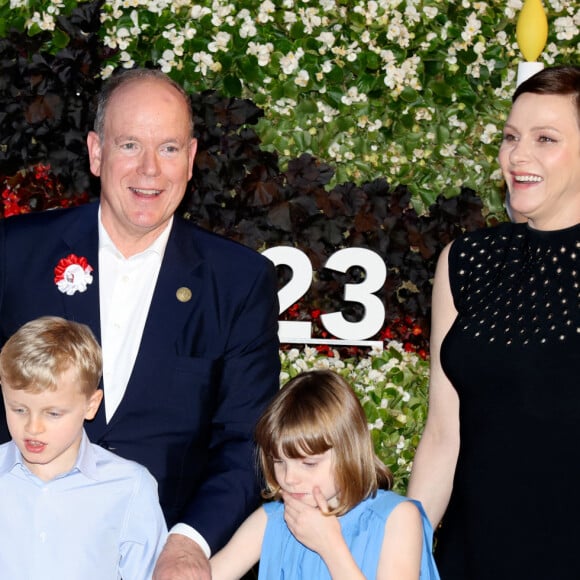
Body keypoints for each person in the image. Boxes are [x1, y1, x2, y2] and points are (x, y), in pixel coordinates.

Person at [0, 67, 281, 579]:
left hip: (157, 562)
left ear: (191, 159)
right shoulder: (12, 255)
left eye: (169, 149)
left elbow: (248, 441)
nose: (150, 170)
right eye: (130, 145)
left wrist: (188, 542)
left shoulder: (239, 283)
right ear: (96, 152)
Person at [407, 64, 580, 579]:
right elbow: (443, 434)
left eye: (545, 139)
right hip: (471, 555)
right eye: (510, 137)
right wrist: (408, 553)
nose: (517, 156)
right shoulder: (466, 260)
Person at [210, 369, 440, 579]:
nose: (289, 478)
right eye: (278, 461)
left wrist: (331, 546)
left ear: (348, 451)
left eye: (309, 463)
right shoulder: (272, 520)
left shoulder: (397, 517)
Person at [0, 316, 167, 579]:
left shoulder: (130, 487)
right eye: (19, 409)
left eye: (53, 413)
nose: (33, 428)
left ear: (91, 405)